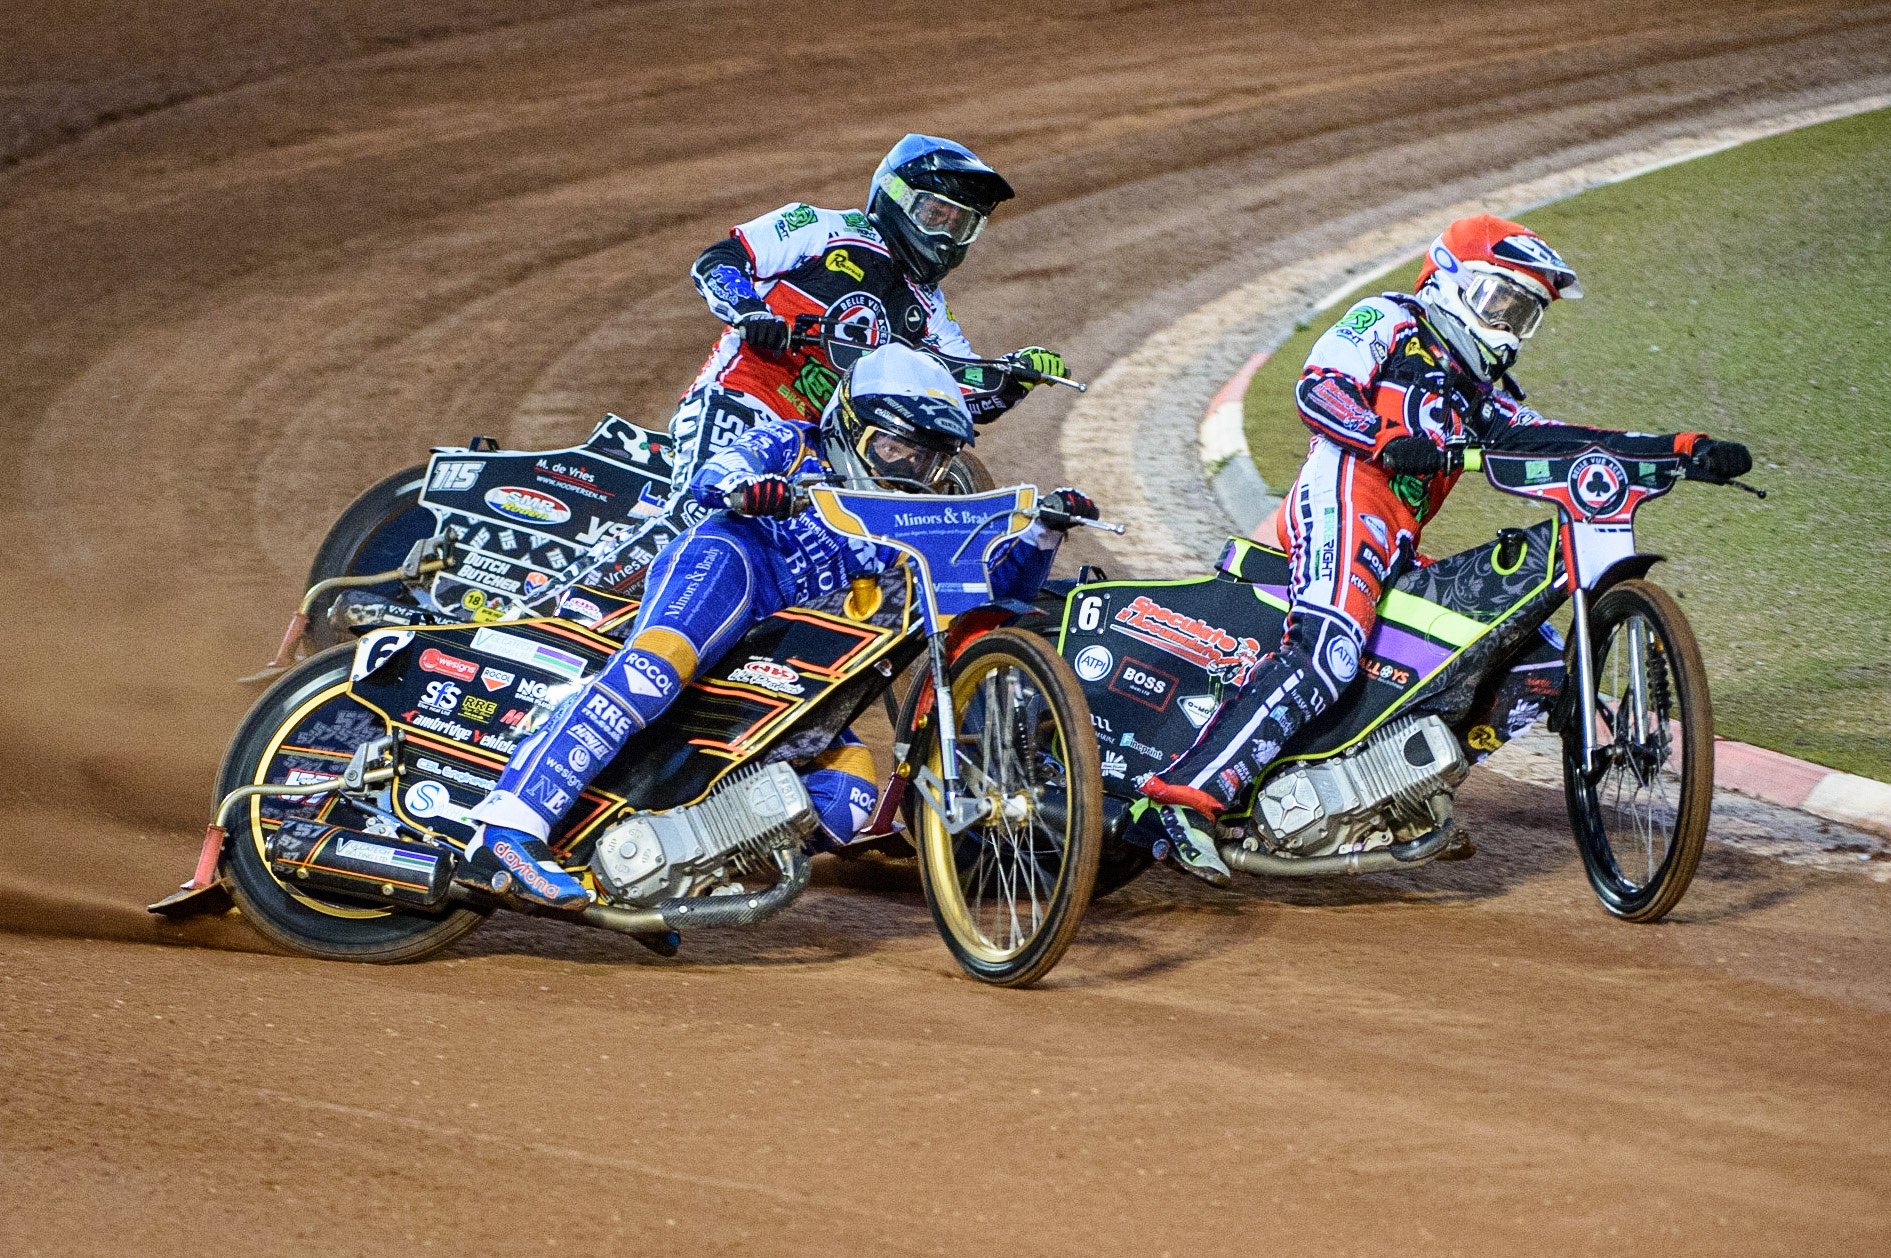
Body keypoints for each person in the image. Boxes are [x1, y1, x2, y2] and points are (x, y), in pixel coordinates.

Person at [1138, 213, 1752, 884]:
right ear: (1450, 279)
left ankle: (1395, 797)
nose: (1510, 327)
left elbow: (1555, 438)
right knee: (1329, 648)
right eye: (1502, 302)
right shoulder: (1390, 319)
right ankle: (1190, 794)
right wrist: (1379, 434)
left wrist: (1678, 449)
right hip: (1347, 492)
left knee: (1535, 665)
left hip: (1396, 536)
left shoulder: (1480, 393)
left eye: (1525, 315)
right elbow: (1317, 386)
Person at [459, 343, 1098, 907]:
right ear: (851, 426)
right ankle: (508, 828)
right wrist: (754, 490)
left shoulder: (904, 527)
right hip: (731, 565)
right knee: (651, 676)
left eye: (926, 461)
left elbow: (988, 600)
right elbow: (716, 478)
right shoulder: (793, 441)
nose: (906, 470)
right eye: (895, 447)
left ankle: (672, 865)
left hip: (782, 656)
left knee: (848, 798)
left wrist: (1043, 533)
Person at [668, 132, 1068, 516]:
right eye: (935, 215)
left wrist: (1013, 376)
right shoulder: (820, 228)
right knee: (704, 510)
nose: (945, 236)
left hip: (831, 449)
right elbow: (719, 260)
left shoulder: (929, 308)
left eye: (959, 225)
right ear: (898, 199)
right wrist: (750, 312)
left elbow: (958, 393)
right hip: (743, 403)